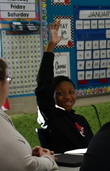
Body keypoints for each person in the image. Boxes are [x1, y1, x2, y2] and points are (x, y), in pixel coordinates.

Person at [36, 20, 93, 153]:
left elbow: (93, 145)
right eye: (60, 93)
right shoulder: (53, 117)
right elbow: (44, 85)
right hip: (66, 166)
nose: (68, 97)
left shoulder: (80, 119)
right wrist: (51, 46)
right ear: (53, 97)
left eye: (71, 92)